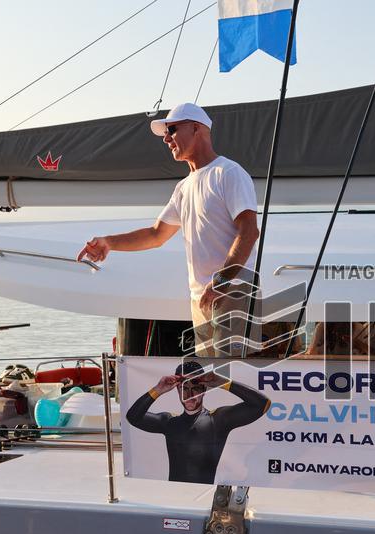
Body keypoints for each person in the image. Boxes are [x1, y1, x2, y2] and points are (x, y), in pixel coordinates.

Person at [78, 102, 259, 357]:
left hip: (232, 291)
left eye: (171, 129)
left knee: (229, 381)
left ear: (196, 128)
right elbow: (156, 234)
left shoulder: (228, 173)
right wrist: (108, 242)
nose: (166, 139)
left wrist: (221, 282)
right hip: (202, 297)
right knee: (208, 382)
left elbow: (249, 232)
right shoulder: (183, 188)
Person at [125, 361, 270, 484]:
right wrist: (158, 389)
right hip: (174, 497)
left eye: (195, 389)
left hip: (204, 498)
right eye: (184, 389)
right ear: (177, 390)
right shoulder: (169, 422)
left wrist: (223, 382)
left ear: (205, 389)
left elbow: (262, 404)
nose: (189, 396)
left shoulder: (218, 420)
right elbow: (133, 417)